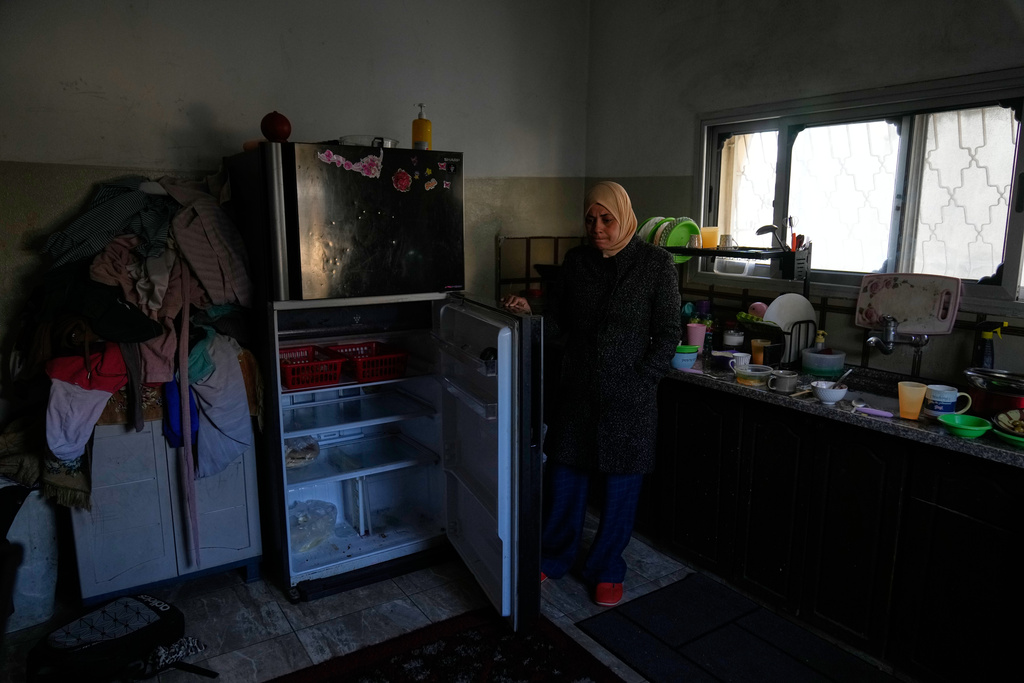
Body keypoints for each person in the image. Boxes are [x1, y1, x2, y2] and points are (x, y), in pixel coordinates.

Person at [501, 181, 681, 606]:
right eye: (590, 218)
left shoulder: (656, 264)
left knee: (620, 489)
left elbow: (669, 332)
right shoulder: (577, 262)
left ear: (624, 217)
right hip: (577, 392)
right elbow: (559, 321)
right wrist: (531, 310)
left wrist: (645, 379)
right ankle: (554, 556)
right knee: (565, 478)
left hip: (629, 398)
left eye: (606, 218)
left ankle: (606, 569)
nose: (597, 227)